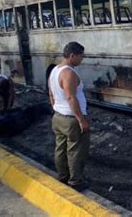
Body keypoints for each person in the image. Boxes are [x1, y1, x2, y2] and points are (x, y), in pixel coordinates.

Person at [48, 42, 89, 191]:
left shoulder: (54, 71)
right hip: (71, 119)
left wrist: (55, 109)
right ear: (72, 55)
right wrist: (81, 119)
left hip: (58, 116)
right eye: (80, 56)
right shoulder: (69, 73)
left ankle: (63, 176)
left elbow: (51, 94)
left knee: (60, 148)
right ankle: (76, 181)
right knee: (75, 151)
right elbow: (71, 97)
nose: (81, 60)